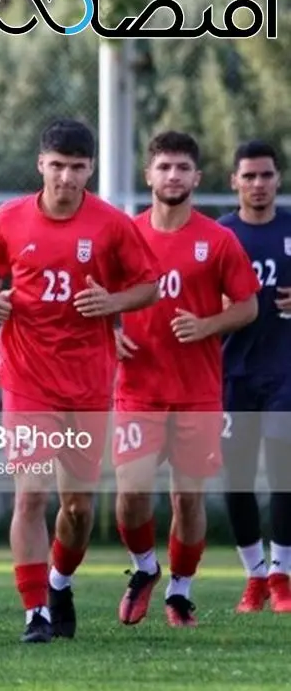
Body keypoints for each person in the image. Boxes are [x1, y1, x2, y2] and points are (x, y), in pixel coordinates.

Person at [0, 118, 159, 643]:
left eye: (77, 168)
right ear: (40, 165)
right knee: (30, 495)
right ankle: (35, 612)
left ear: (91, 169)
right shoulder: (9, 218)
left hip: (88, 380)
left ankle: (59, 583)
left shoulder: (112, 225)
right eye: (57, 166)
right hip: (26, 375)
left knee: (77, 507)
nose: (66, 178)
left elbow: (147, 286)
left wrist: (114, 303)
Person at [112, 131, 259, 628]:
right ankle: (145, 569)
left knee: (187, 498)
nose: (172, 176)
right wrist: (110, 333)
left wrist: (207, 325)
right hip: (137, 389)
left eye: (182, 168)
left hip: (197, 392)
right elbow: (95, 302)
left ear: (196, 177)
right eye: (164, 167)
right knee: (129, 495)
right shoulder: (125, 237)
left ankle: (180, 592)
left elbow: (248, 306)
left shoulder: (218, 240)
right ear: (148, 175)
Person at [219, 139, 291, 613]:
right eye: (249, 176)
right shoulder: (220, 236)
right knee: (237, 480)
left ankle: (283, 574)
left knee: (284, 471)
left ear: (278, 179)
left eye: (266, 175)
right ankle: (255, 576)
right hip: (233, 372)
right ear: (234, 182)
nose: (258, 185)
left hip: (285, 370)